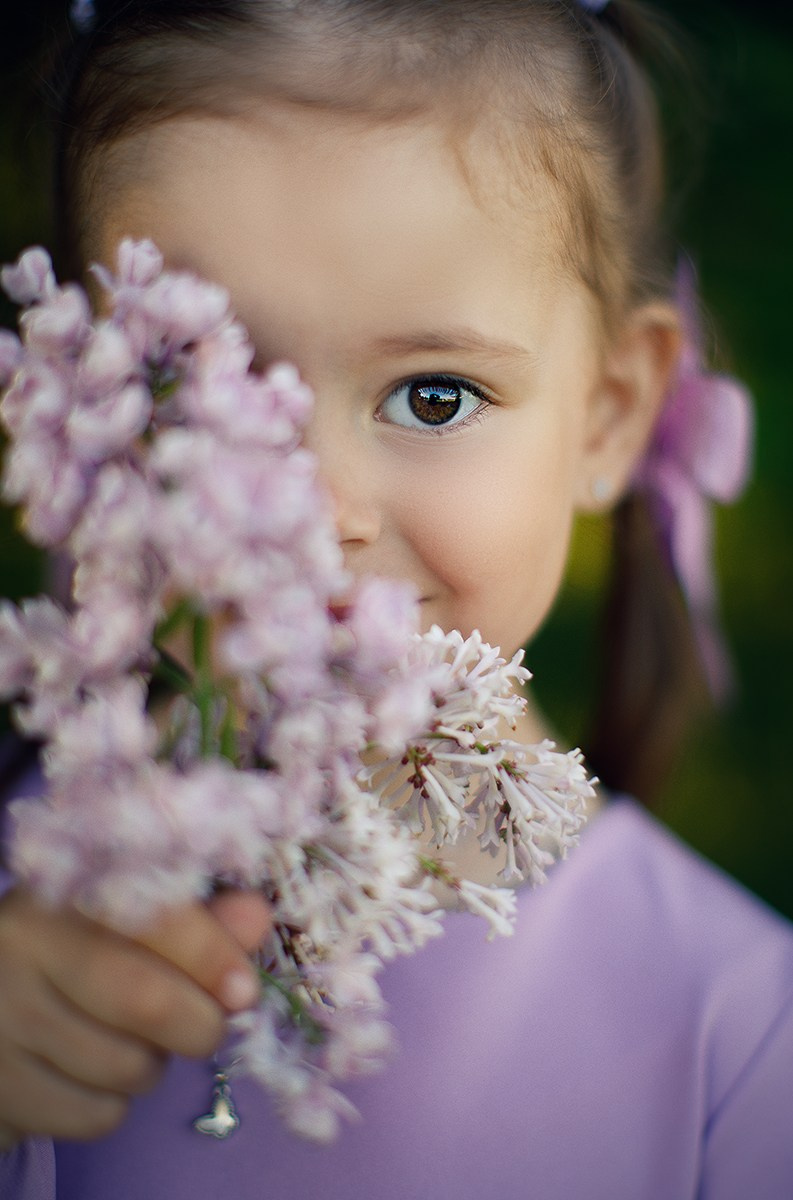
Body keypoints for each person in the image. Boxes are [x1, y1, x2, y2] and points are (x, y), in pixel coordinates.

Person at [1, 0, 792, 1196]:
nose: (314, 510)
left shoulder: (737, 1030)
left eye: (434, 398)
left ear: (611, 413)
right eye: (193, 389)